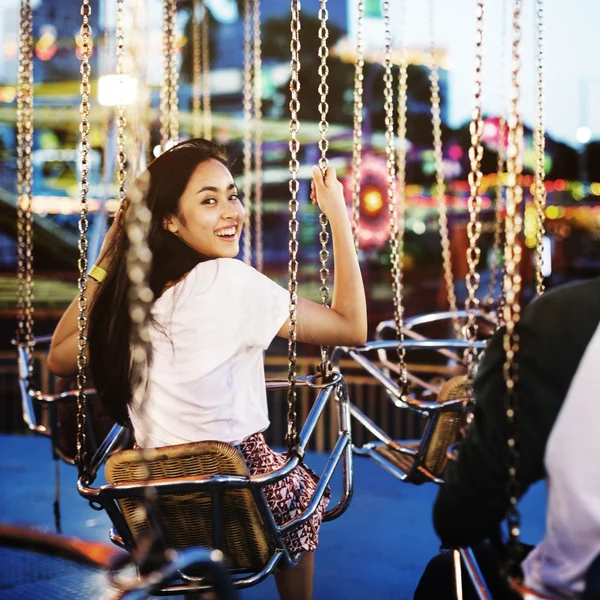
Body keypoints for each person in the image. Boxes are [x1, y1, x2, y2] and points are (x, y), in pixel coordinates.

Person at [47, 138, 367, 600]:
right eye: (209, 200)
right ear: (171, 221)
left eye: (232, 195)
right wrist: (337, 215)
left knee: (199, 541)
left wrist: (112, 252)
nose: (231, 211)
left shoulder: (132, 303)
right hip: (241, 488)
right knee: (297, 491)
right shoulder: (227, 279)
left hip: (152, 502)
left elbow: (58, 355)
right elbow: (352, 327)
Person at [415, 276, 600, 599]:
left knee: (446, 572)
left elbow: (460, 519)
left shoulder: (566, 320)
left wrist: (488, 410)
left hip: (580, 586)